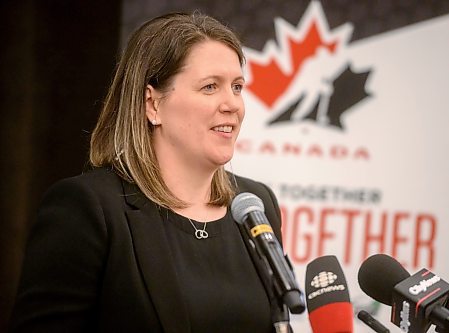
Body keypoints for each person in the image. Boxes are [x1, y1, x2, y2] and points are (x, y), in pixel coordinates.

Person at [9, 11, 286, 333]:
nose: (232, 105)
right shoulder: (89, 207)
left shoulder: (254, 205)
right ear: (152, 104)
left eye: (237, 87)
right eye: (210, 87)